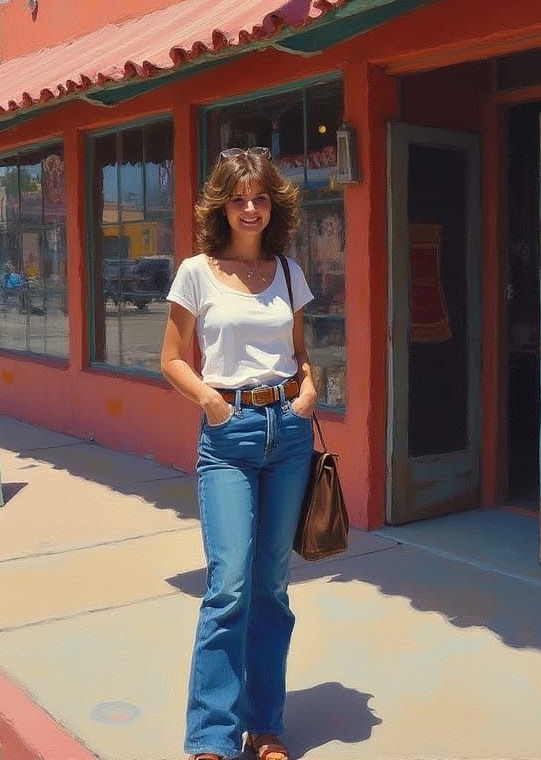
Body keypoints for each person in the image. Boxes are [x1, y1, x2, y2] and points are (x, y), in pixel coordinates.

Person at [161, 146, 318, 760]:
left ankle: (265, 725)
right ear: (221, 207)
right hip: (229, 436)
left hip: (288, 432)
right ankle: (213, 737)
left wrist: (309, 391)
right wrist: (211, 402)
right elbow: (171, 359)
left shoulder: (287, 272)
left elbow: (300, 353)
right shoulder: (196, 272)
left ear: (273, 205)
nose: (250, 208)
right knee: (228, 585)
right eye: (238, 199)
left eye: (259, 198)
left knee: (272, 585)